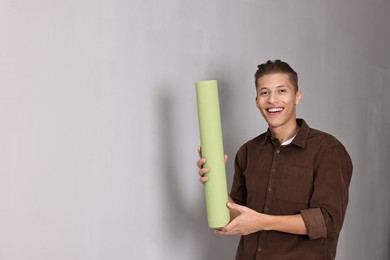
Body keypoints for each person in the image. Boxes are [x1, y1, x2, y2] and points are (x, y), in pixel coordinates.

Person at [197, 60, 353, 259]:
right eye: (264, 92)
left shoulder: (327, 150)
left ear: (297, 96)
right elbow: (235, 216)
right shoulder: (248, 152)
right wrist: (213, 178)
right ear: (256, 101)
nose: (272, 100)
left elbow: (327, 221)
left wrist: (263, 222)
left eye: (281, 91)